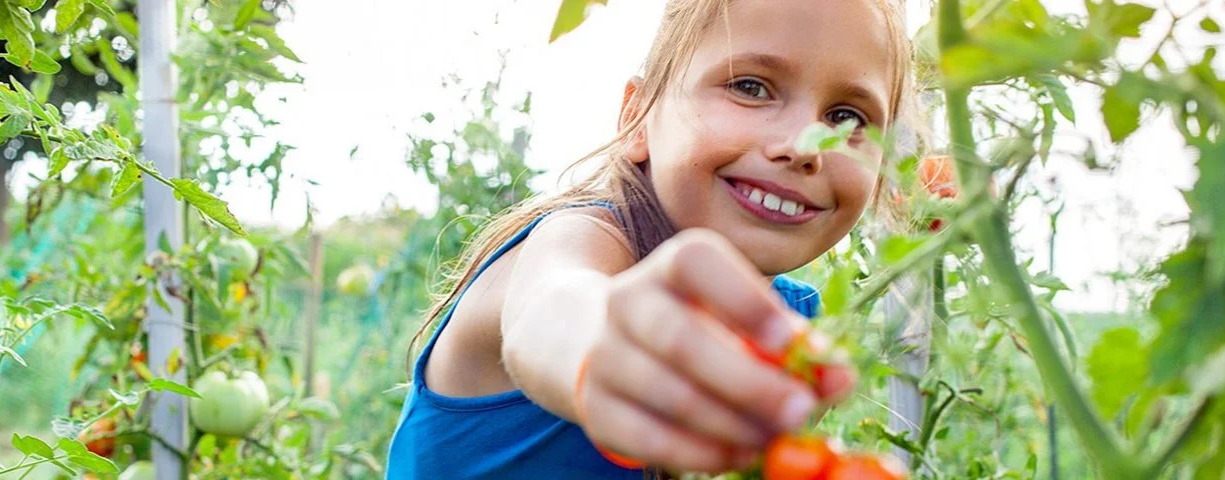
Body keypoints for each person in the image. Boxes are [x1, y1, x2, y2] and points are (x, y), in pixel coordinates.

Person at [387, 0, 919, 477]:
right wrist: (600, 342)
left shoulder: (794, 332)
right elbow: (550, 310)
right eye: (750, 86)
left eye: (847, 116)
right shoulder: (575, 240)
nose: (804, 146)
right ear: (638, 116)